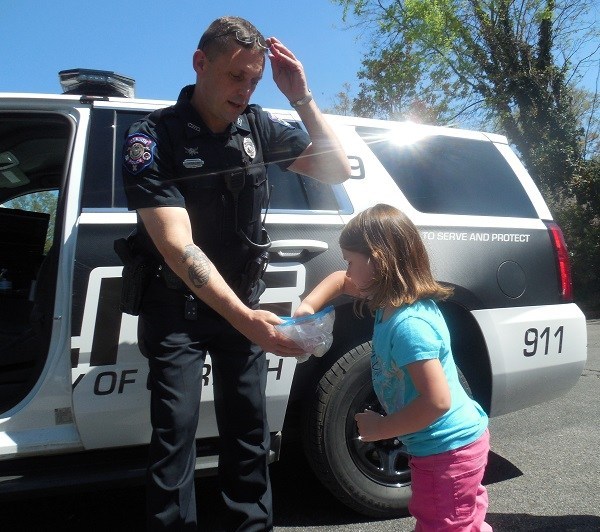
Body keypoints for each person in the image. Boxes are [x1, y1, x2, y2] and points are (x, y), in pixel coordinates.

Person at [121, 16, 350, 531]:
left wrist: (302, 98)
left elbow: (339, 170)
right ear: (200, 63)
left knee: (249, 432)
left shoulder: (258, 127)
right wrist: (246, 318)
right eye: (235, 77)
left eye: (254, 80)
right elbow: (179, 248)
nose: (245, 91)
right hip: (176, 308)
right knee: (174, 435)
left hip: (243, 302)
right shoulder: (152, 136)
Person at [294, 204, 492, 531]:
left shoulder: (409, 326)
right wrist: (307, 308)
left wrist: (382, 429)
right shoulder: (390, 297)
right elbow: (339, 282)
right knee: (460, 520)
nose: (347, 270)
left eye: (350, 261)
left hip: (448, 451)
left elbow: (437, 401)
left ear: (376, 262)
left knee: (442, 524)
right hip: (446, 448)